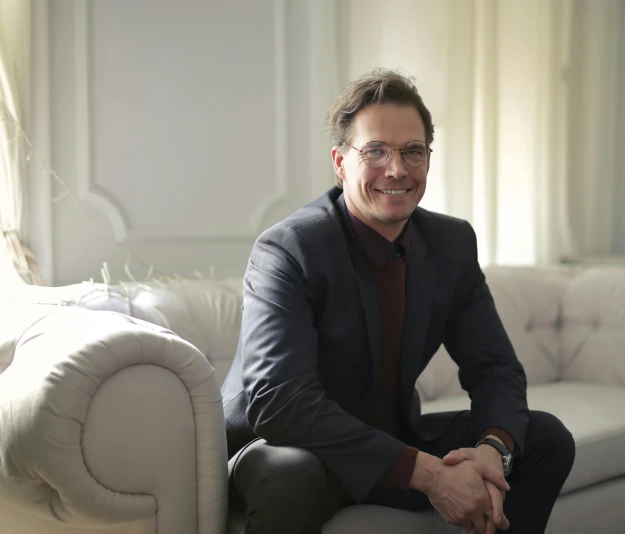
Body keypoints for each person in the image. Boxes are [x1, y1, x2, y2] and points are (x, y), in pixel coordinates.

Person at [221, 68, 575, 534]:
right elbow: (281, 401)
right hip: (289, 444)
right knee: (289, 474)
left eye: (413, 151)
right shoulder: (289, 248)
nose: (397, 169)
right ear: (340, 162)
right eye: (375, 151)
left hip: (390, 438)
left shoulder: (451, 242)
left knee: (546, 436)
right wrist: (426, 474)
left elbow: (495, 369)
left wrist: (493, 451)